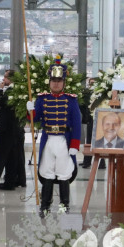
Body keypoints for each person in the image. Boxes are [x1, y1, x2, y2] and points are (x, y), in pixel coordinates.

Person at [26, 55, 81, 217]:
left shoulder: (71, 100)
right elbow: (34, 120)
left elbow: (77, 123)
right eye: (53, 80)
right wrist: (31, 110)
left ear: (64, 82)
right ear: (49, 82)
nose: (56, 83)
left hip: (64, 140)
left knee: (64, 173)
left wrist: (74, 146)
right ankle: (45, 206)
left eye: (59, 81)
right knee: (47, 171)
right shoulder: (42, 99)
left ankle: (65, 205)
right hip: (48, 139)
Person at [0, 69, 26, 190]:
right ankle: (10, 182)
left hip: (7, 129)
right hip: (14, 129)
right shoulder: (18, 90)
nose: (3, 80)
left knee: (0, 157)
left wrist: (0, 90)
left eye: (5, 77)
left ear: (10, 79)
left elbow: (1, 102)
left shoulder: (12, 90)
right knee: (12, 157)